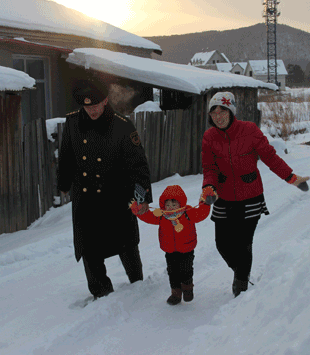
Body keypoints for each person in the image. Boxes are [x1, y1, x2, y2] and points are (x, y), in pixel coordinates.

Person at [200, 91, 310, 298]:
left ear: (231, 111)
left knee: (243, 243)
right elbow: (209, 167)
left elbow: (270, 157)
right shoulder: (210, 137)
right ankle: (240, 270)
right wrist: (208, 186)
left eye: (222, 111)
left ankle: (240, 284)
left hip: (250, 195)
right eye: (213, 112)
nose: (218, 116)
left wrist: (292, 178)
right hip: (223, 196)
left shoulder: (249, 130)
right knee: (222, 244)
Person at [57, 79, 153, 299]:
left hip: (117, 197)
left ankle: (138, 286)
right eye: (87, 105)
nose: (92, 109)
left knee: (126, 244)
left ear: (106, 100)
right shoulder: (72, 123)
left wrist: (142, 197)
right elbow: (66, 157)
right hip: (85, 199)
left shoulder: (122, 125)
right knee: (89, 248)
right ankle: (100, 292)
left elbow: (138, 165)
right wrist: (63, 184)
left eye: (96, 104)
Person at [131, 185, 211, 305]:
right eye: (167, 205)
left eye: (174, 205)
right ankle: (176, 293)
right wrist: (139, 211)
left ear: (181, 204)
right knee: (172, 272)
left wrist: (205, 202)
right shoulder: (162, 216)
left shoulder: (188, 213)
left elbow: (201, 213)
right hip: (169, 250)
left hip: (186, 248)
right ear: (163, 205)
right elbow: (149, 217)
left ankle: (188, 288)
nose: (170, 208)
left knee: (186, 270)